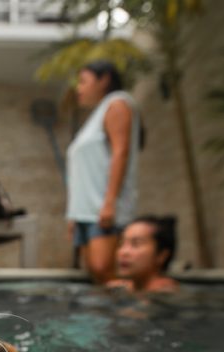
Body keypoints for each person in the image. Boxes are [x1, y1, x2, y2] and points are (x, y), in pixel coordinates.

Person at [66, 60, 143, 284]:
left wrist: (110, 202)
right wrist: (73, 213)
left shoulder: (118, 104)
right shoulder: (97, 115)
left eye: (83, 82)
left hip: (103, 208)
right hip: (85, 210)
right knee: (95, 274)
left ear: (104, 80)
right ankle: (105, 318)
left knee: (104, 270)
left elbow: (121, 153)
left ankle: (132, 313)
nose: (78, 88)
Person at [107, 216, 179, 293]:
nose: (123, 252)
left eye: (136, 244)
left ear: (162, 255)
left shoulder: (166, 294)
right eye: (121, 244)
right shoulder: (119, 288)